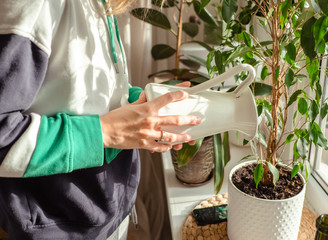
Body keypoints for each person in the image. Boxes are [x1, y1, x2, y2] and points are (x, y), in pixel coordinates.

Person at [0, 0, 200, 239]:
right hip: (58, 225)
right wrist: (104, 132)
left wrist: (141, 103)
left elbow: (79, 90)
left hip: (107, 214)